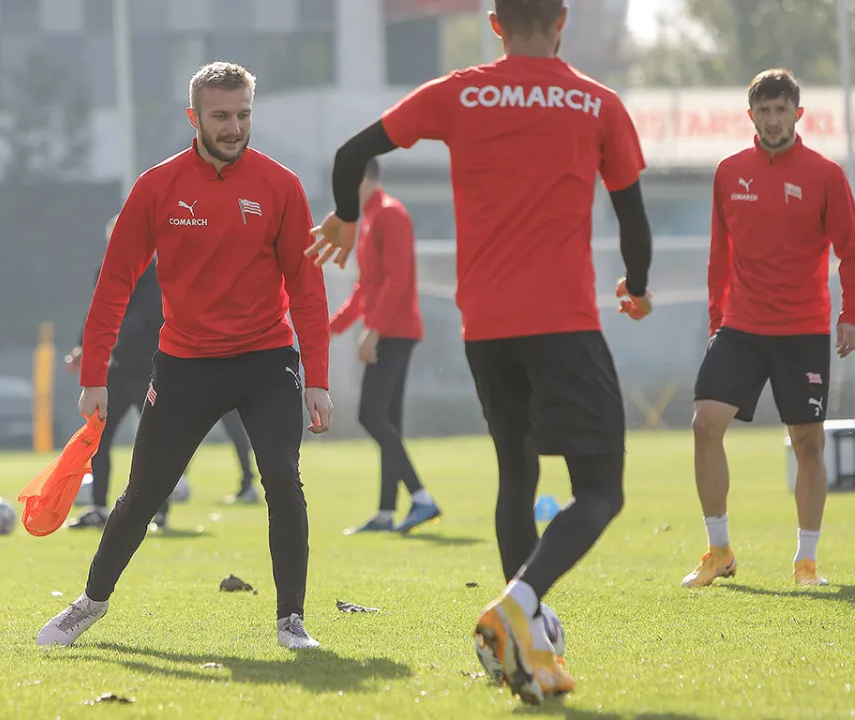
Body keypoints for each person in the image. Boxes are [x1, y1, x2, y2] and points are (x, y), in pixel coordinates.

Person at [307, 0, 653, 704]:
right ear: (561, 21)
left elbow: (351, 155)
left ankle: (521, 645)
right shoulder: (597, 103)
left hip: (486, 330)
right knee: (601, 490)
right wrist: (638, 286)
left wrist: (346, 214)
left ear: (495, 23)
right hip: (562, 323)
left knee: (516, 475)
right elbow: (632, 217)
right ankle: (517, 604)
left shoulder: (461, 92)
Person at [37, 61, 333, 650]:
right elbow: (113, 285)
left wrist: (317, 379)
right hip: (184, 365)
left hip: (266, 360)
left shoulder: (280, 186)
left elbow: (306, 289)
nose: (234, 126)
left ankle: (291, 621)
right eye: (221, 116)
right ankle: (89, 604)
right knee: (143, 494)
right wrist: (94, 374)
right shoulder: (157, 187)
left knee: (282, 478)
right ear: (193, 117)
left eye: (243, 114)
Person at [682, 69, 855, 590]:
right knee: (704, 424)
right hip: (740, 325)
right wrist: (717, 320)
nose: (774, 119)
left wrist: (849, 315)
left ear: (798, 114)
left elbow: (850, 252)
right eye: (765, 110)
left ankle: (806, 564)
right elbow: (719, 255)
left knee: (807, 442)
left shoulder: (826, 175)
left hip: (801, 328)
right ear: (751, 115)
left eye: (783, 110)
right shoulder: (729, 173)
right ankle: (719, 551)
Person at [66, 215, 260, 532]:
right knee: (99, 439)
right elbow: (97, 314)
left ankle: (160, 512)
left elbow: (139, 321)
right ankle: (99, 507)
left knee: (157, 444)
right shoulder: (106, 272)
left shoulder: (158, 273)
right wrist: (82, 347)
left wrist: (102, 343)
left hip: (151, 370)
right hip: (118, 370)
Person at [329, 158, 440, 535]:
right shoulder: (369, 219)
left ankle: (421, 497)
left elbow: (398, 280)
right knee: (387, 421)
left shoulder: (391, 214)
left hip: (395, 331)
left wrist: (372, 332)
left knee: (370, 415)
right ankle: (385, 513)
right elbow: (366, 287)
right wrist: (332, 328)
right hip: (387, 329)